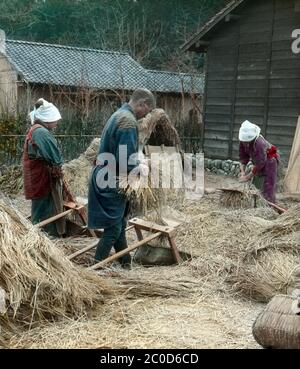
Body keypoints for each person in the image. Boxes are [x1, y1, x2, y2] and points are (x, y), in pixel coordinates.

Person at [88, 88, 156, 268]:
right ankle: (97, 267)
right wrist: (141, 167)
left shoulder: (118, 114)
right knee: (114, 228)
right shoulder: (128, 122)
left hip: (105, 174)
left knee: (119, 223)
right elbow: (125, 160)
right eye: (146, 111)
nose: (144, 116)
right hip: (112, 179)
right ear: (141, 104)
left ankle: (126, 265)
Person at [23, 98, 65, 236]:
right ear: (48, 119)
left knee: (41, 208)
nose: (57, 123)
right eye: (55, 120)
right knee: (43, 211)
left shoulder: (36, 129)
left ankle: (43, 235)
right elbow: (55, 159)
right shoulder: (41, 133)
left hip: (35, 176)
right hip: (40, 178)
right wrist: (58, 171)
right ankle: (43, 238)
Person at [238, 120, 279, 203]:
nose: (245, 143)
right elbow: (243, 157)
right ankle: (257, 201)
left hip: (270, 161)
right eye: (244, 141)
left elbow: (260, 163)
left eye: (247, 141)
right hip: (258, 161)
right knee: (257, 182)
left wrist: (247, 177)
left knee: (268, 184)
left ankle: (269, 203)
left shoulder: (260, 143)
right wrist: (242, 172)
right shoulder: (242, 141)